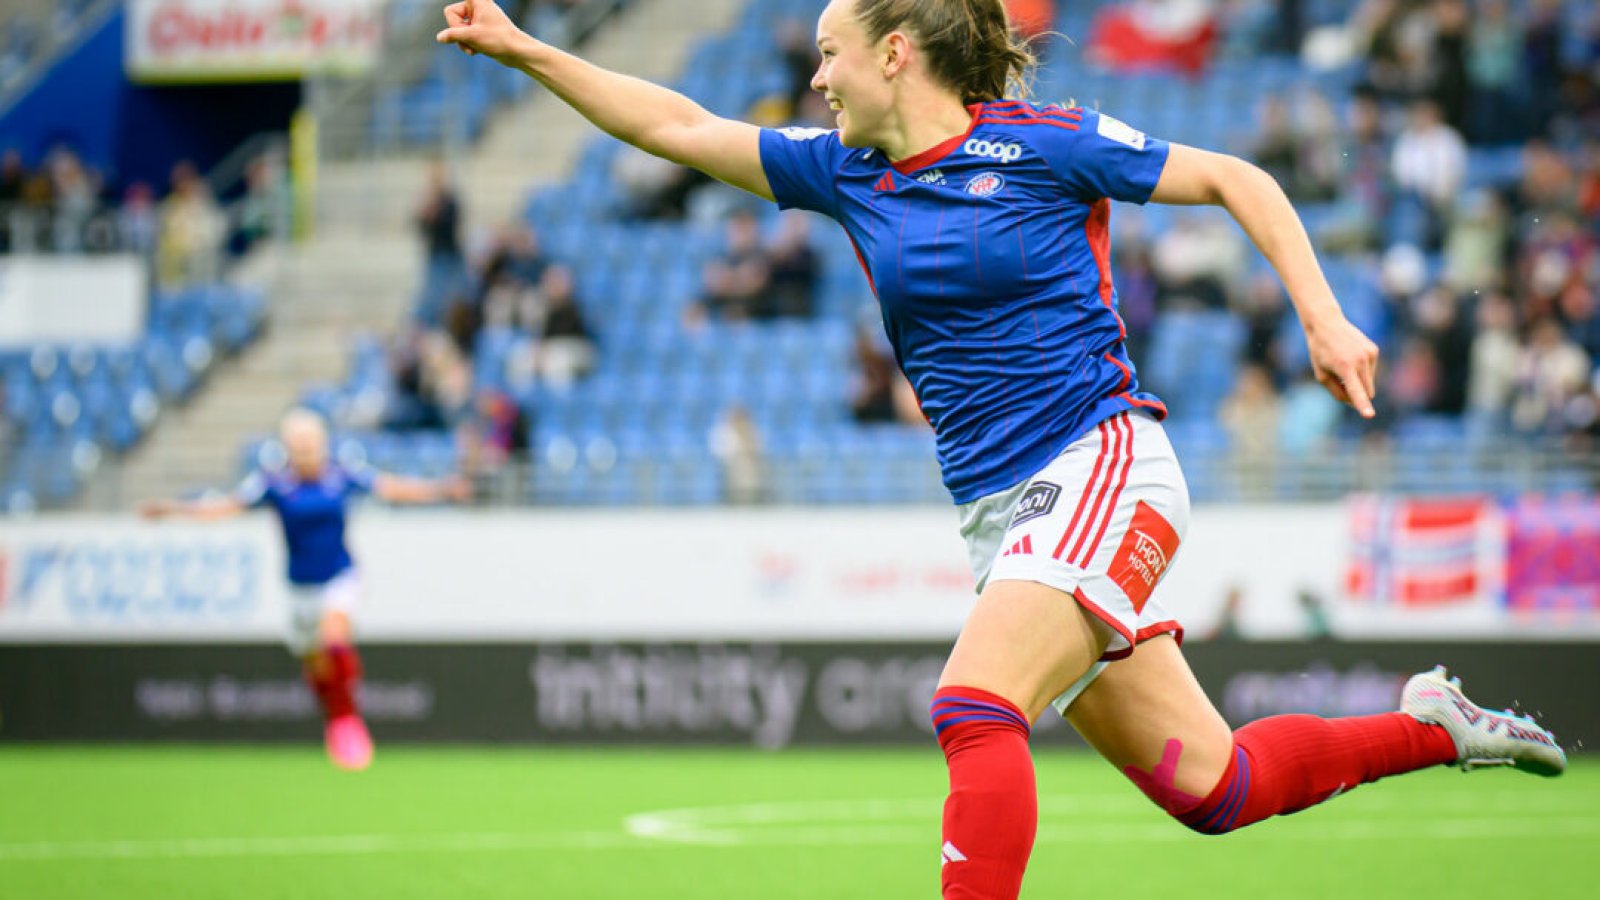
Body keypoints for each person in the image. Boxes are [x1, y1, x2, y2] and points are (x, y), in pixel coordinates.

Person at [436, 1, 1568, 896]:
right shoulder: (846, 172)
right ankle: (1433, 728)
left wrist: (1322, 315)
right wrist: (528, 47)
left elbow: (1239, 178)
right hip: (1006, 516)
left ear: (893, 54)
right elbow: (673, 127)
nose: (814, 79)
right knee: (1215, 788)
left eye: (829, 54)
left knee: (972, 706)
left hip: (1098, 462)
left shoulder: (1046, 146)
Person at [141, 409, 469, 771]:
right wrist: (173, 510)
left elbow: (391, 487)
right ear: (286, 448)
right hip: (300, 587)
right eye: (297, 445)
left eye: (310, 444)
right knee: (316, 663)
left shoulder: (343, 475)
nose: (305, 452)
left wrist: (440, 489)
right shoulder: (273, 484)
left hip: (339, 576)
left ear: (323, 443)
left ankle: (348, 723)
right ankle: (335, 716)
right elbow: (226, 507)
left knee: (335, 635)